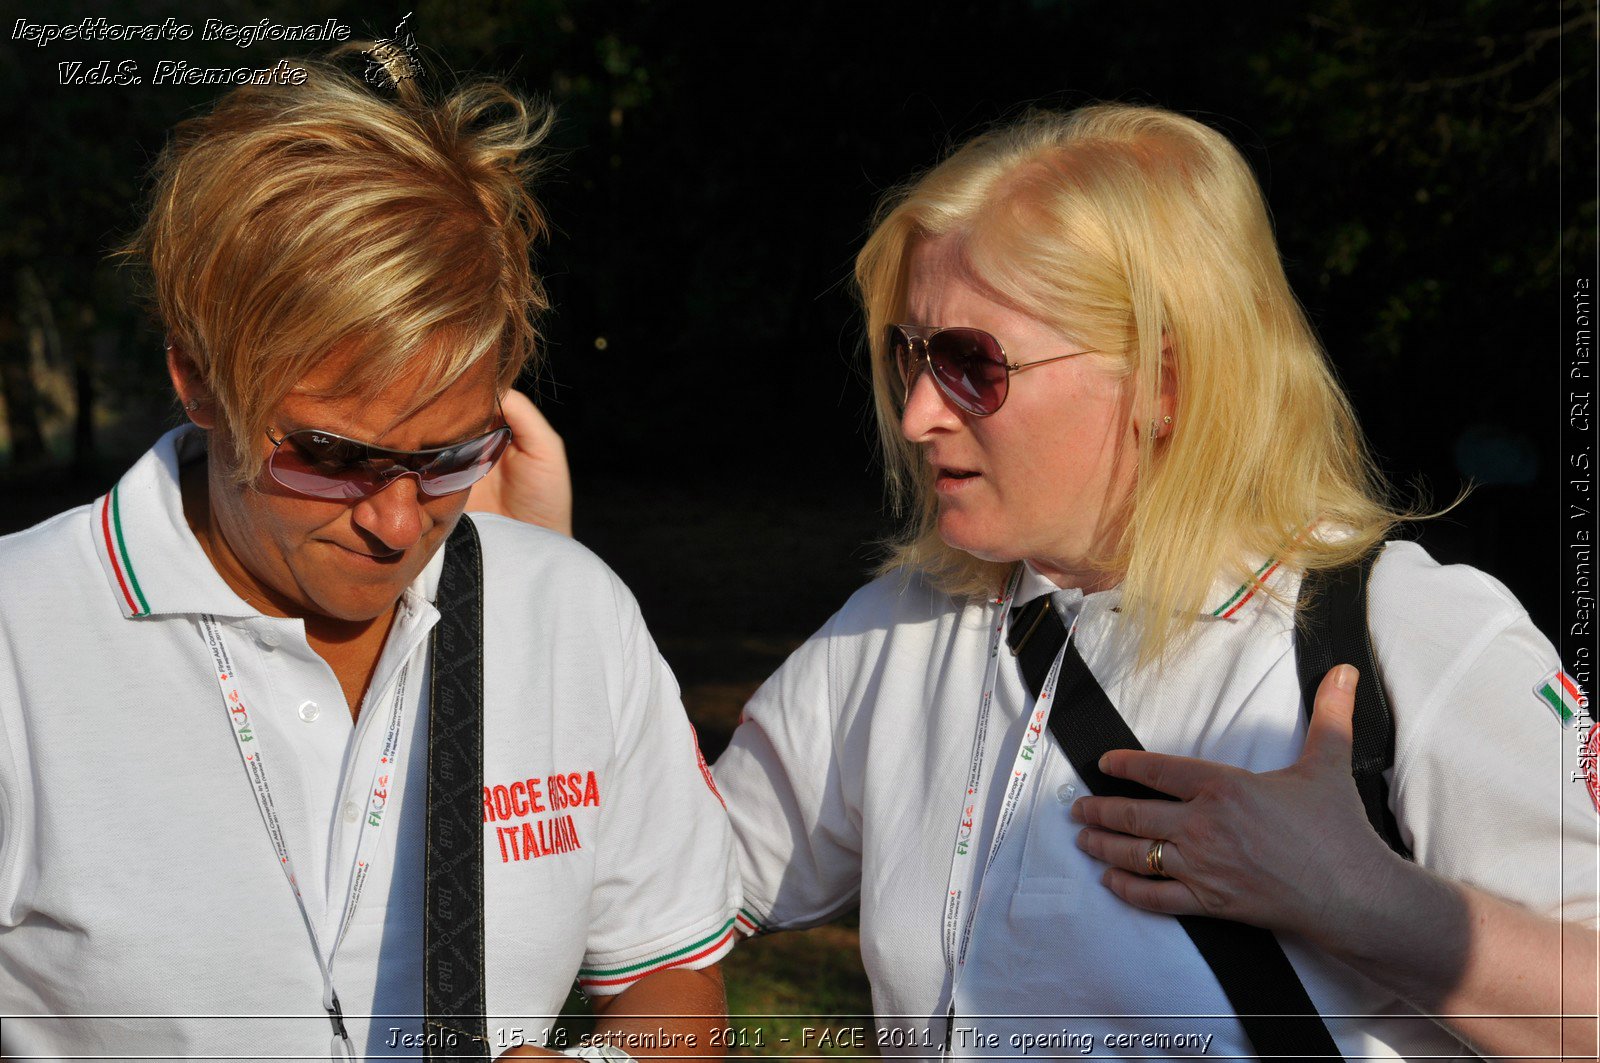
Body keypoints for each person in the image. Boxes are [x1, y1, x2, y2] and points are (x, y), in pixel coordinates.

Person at [480, 103, 1598, 1059]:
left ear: (1167, 377)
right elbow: (664, 884)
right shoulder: (901, 631)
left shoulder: (1400, 631)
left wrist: (1371, 904)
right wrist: (543, 607)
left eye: (973, 363)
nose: (918, 415)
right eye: (907, 358)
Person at [0, 59, 737, 1060]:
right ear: (198, 378)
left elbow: (671, 969)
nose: (397, 523)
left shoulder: (570, 612)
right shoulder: (21, 638)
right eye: (330, 455)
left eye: (450, 456)